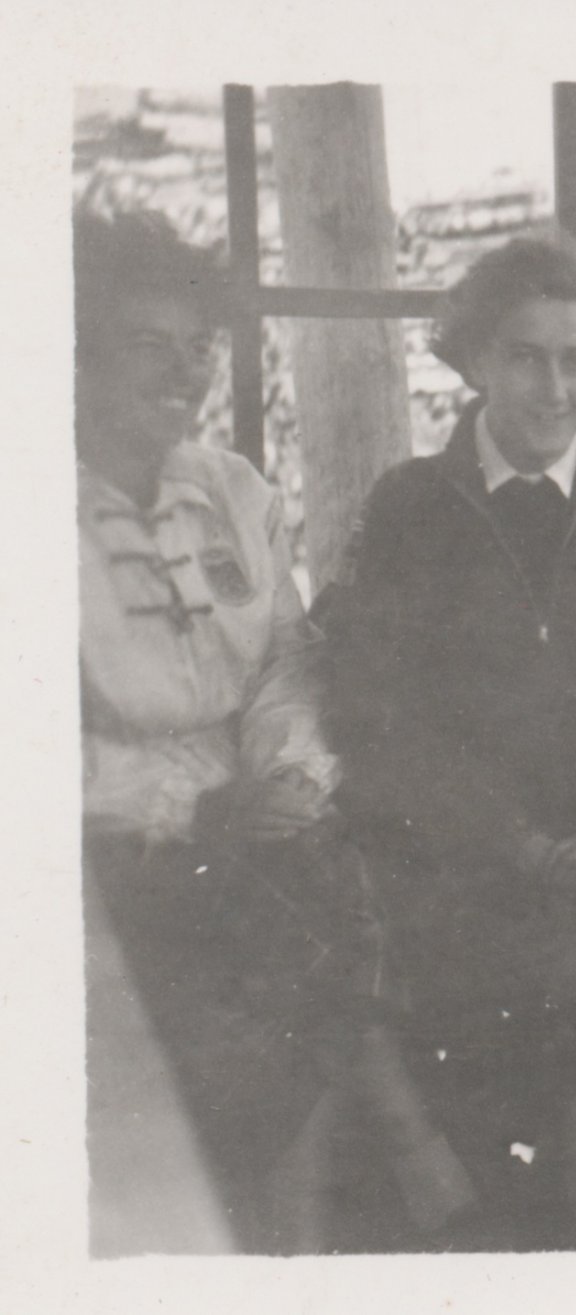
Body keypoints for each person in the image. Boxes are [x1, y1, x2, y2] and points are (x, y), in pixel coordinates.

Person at [320, 232, 576, 1248]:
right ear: (475, 357)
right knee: (497, 1072)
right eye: (525, 356)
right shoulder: (407, 508)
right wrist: (515, 843)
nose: (555, 389)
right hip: (461, 870)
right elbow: (372, 717)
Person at [75, 208, 372, 1252]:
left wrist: (286, 776)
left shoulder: (230, 491)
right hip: (95, 855)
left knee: (334, 924)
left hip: (245, 820)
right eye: (148, 345)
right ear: (73, 354)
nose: (184, 372)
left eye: (198, 346)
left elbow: (283, 660)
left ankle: (290, 1251)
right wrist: (195, 809)